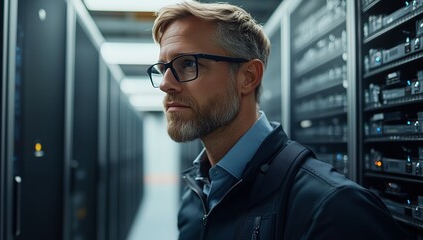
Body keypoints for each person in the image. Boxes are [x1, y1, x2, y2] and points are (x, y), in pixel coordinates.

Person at [146, 1, 407, 239]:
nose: (165, 85)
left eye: (188, 64)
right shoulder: (195, 199)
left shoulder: (334, 208)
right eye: (162, 69)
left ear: (248, 77)